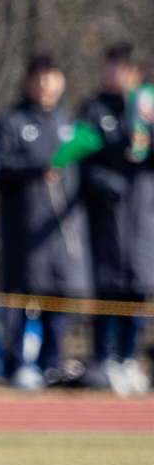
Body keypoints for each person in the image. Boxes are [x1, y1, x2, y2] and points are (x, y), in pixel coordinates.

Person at [0, 56, 92, 390]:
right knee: (20, 301)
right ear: (27, 81)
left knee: (57, 301)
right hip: (23, 229)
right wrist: (37, 170)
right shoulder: (11, 119)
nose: (45, 84)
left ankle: (52, 364)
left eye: (51, 77)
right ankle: (17, 365)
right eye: (38, 78)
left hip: (62, 233)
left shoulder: (71, 123)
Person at [78, 44, 153, 395]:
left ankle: (128, 357)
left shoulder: (147, 109)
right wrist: (110, 180)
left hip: (142, 217)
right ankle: (103, 359)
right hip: (106, 218)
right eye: (109, 68)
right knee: (107, 289)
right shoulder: (92, 110)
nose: (112, 75)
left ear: (136, 73)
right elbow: (83, 161)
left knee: (137, 290)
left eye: (120, 69)